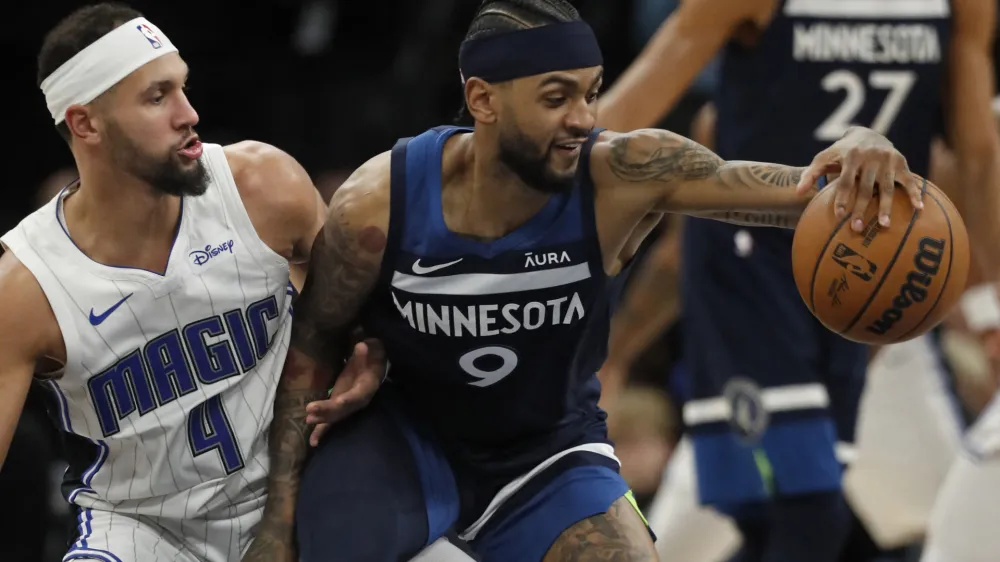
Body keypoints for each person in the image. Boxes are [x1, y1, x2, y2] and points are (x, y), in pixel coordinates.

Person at [239, 1, 925, 561]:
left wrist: (863, 150)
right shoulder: (376, 204)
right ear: (482, 100)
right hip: (405, 439)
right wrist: (277, 517)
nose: (585, 119)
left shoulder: (624, 175)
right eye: (557, 97)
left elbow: (794, 193)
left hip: (546, 449)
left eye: (592, 92)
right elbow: (310, 353)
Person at [595, 0, 1000, 560]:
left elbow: (975, 154)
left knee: (815, 515)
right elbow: (619, 121)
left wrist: (989, 309)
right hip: (751, 265)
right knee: (809, 514)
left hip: (869, 279)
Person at [0, 4, 359, 561]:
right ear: (85, 124)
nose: (189, 113)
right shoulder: (25, 286)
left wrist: (372, 353)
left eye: (183, 88)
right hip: (143, 527)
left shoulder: (264, 186)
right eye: (156, 96)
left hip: (301, 486)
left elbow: (368, 322)